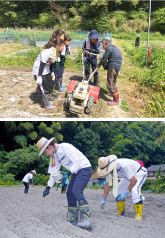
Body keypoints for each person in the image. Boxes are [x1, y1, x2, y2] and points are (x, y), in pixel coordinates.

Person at [36, 137, 93, 229]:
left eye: (45, 152)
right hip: (76, 171)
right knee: (69, 192)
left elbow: (77, 161)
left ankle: (87, 219)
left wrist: (68, 173)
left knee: (76, 191)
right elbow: (54, 172)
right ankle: (73, 218)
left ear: (49, 147)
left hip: (84, 168)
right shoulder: (55, 157)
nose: (46, 154)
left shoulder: (64, 147)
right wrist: (48, 187)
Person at [95, 155, 148, 220]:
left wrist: (127, 192)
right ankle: (121, 211)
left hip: (138, 173)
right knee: (118, 190)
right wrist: (104, 199)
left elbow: (134, 180)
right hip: (127, 177)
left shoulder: (123, 165)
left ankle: (138, 215)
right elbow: (108, 184)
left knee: (135, 190)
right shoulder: (108, 171)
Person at [32, 38, 64, 109]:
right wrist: (39, 76)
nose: (63, 47)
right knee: (44, 88)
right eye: (62, 46)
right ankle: (46, 104)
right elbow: (42, 64)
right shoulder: (47, 52)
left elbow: (52, 63)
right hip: (39, 71)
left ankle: (45, 101)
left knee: (50, 86)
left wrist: (52, 72)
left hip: (46, 70)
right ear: (58, 46)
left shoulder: (55, 53)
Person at [97, 37, 122, 106]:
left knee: (110, 83)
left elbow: (104, 59)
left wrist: (98, 65)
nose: (102, 45)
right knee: (113, 80)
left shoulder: (108, 48)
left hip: (113, 66)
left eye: (103, 43)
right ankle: (112, 93)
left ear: (106, 43)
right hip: (117, 65)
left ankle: (116, 100)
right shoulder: (112, 47)